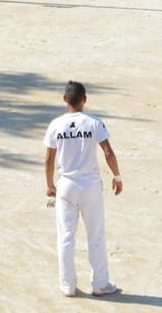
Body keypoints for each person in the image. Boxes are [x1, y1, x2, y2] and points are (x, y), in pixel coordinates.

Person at [43, 80, 121, 299]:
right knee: (96, 236)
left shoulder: (55, 125)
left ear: (64, 99)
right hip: (91, 188)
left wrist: (50, 185)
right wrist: (117, 177)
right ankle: (100, 284)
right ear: (85, 99)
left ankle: (68, 285)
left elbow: (49, 159)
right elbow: (108, 153)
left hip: (66, 187)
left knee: (66, 237)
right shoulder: (94, 122)